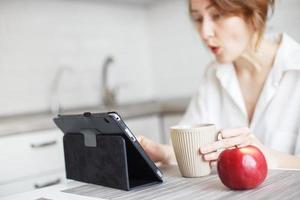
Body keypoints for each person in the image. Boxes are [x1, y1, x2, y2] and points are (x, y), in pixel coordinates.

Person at [138, 0, 300, 169]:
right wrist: (161, 152)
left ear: (254, 14)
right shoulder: (214, 74)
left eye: (218, 15)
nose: (204, 33)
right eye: (198, 19)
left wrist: (268, 158)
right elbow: (195, 149)